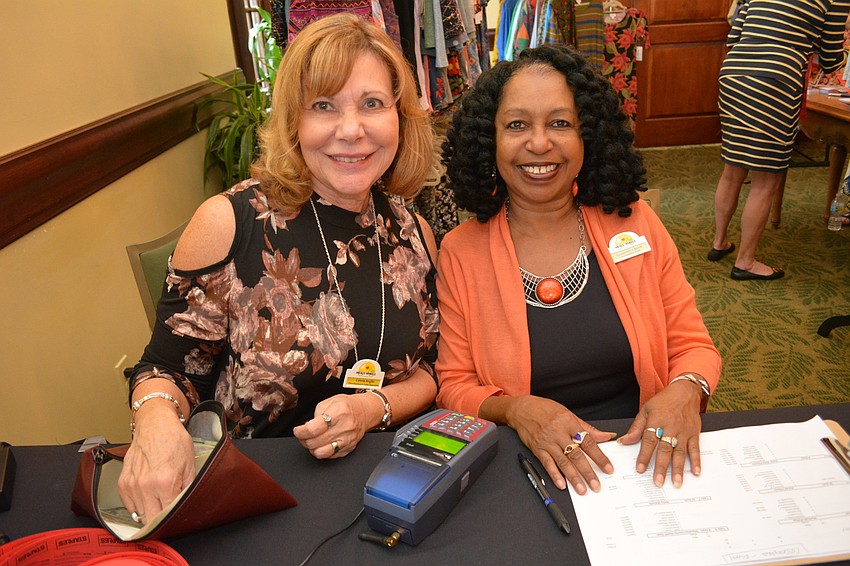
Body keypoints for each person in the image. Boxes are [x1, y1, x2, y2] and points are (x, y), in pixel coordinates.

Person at [118, 13, 440, 524]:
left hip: (393, 492)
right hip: (258, 498)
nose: (351, 130)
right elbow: (167, 371)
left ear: (400, 118)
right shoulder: (230, 223)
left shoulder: (414, 231)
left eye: (372, 104)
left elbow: (430, 373)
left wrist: (369, 409)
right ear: (293, 122)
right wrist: (156, 421)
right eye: (323, 106)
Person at [436, 44, 721, 497]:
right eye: (516, 125)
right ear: (489, 141)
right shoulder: (460, 251)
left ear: (589, 135)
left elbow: (694, 346)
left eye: (560, 123)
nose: (539, 143)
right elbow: (454, 385)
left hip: (641, 459)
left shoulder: (635, 223)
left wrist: (687, 388)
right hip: (529, 467)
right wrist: (517, 410)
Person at [709, 0, 850, 280]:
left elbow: (734, 37)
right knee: (766, 179)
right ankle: (745, 262)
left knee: (733, 168)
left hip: (734, 72)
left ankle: (719, 242)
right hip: (777, 79)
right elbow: (831, 58)